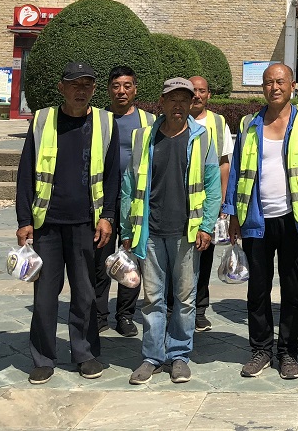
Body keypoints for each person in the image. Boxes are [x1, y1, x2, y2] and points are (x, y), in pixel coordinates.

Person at [15, 61, 119, 385]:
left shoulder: (105, 122)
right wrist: (24, 219)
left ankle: (85, 354)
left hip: (87, 223)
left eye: (87, 84)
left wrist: (108, 216)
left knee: (85, 293)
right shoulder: (42, 120)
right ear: (62, 87)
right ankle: (43, 358)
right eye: (75, 84)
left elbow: (113, 175)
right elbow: (26, 172)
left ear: (94, 89)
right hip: (47, 222)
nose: (81, 90)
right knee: (45, 295)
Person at [224, 63, 298, 380]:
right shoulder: (249, 123)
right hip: (255, 218)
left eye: (281, 82)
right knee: (257, 289)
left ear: (293, 86)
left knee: (294, 289)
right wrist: (232, 213)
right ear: (263, 88)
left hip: (295, 218)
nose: (275, 87)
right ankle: (261, 350)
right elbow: (237, 170)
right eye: (269, 82)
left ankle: (288, 352)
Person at [120, 77, 222, 385]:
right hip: (150, 231)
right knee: (152, 299)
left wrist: (206, 226)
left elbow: (212, 186)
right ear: (161, 103)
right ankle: (152, 356)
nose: (178, 105)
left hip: (186, 233)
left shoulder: (202, 138)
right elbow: (129, 186)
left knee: (185, 299)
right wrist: (127, 228)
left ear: (192, 103)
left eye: (184, 99)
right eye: (172, 99)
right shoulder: (144, 137)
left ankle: (179, 355)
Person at [93, 65, 154, 338]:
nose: (121, 91)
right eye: (116, 86)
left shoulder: (148, 121)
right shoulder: (98, 119)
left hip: (135, 200)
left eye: (127, 86)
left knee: (131, 258)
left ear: (135, 90)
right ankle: (98, 314)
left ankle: (125, 315)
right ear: (109, 89)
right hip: (102, 199)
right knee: (100, 259)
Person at [188, 75, 233, 333]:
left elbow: (224, 163)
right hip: (180, 203)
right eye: (193, 90)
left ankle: (199, 310)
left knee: (204, 256)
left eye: (202, 91)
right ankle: (174, 307)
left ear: (209, 95)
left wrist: (223, 200)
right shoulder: (175, 118)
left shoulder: (218, 122)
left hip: (208, 203)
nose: (197, 95)